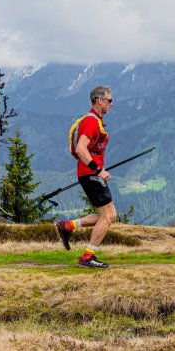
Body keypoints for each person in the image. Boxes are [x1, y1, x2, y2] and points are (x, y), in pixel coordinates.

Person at [55, 85, 116, 269]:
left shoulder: (94, 120)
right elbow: (81, 149)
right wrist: (98, 170)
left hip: (89, 174)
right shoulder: (90, 122)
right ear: (100, 101)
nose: (111, 104)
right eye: (109, 100)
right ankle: (87, 257)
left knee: (108, 215)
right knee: (109, 216)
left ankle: (67, 226)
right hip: (91, 174)